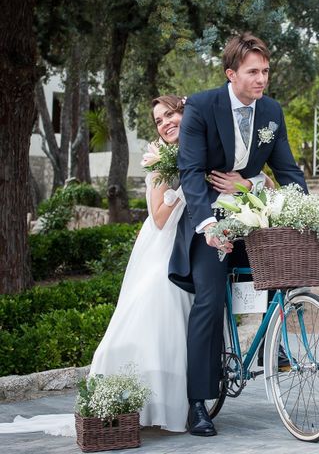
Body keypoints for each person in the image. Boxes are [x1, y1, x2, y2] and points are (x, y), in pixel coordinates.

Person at [0, 95, 272, 436]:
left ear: (188, 113)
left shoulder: (209, 143)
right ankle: (156, 400)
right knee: (162, 308)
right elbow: (159, 217)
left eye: (172, 113)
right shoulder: (161, 161)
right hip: (168, 242)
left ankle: (242, 365)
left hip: (210, 235)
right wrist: (189, 188)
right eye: (160, 120)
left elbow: (255, 177)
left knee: (214, 299)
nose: (167, 122)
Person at [168, 33, 308, 437]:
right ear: (231, 74)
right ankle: (198, 402)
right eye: (252, 72)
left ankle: (272, 343)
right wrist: (208, 225)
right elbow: (191, 173)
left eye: (265, 71)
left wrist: (307, 211)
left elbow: (287, 171)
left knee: (281, 274)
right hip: (209, 221)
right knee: (209, 302)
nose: (261, 79)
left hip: (251, 215)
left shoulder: (272, 111)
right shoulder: (201, 106)